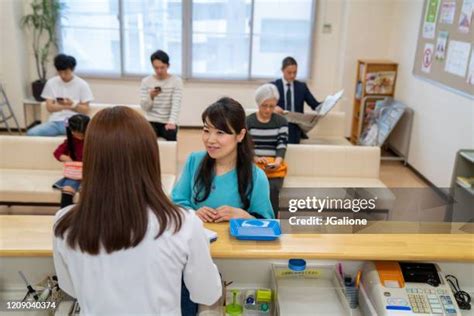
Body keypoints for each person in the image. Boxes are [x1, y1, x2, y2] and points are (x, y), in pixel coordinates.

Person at [53, 106, 221, 315]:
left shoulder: (64, 223)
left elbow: (70, 288)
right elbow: (208, 294)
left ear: (91, 158)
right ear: (150, 156)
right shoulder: (183, 223)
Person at [172, 97, 274, 222]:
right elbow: (176, 203)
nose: (210, 140)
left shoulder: (256, 176)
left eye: (220, 132)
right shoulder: (194, 161)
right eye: (206, 130)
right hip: (197, 237)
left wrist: (245, 217)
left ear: (240, 135)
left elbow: (266, 223)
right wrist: (193, 213)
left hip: (234, 241)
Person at [246, 84, 288, 217]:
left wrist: (277, 162)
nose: (268, 110)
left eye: (272, 106)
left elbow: (282, 144)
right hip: (254, 162)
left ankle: (271, 219)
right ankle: (252, 217)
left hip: (273, 164)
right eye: (265, 106)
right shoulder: (249, 121)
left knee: (273, 187)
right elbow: (246, 145)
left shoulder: (281, 121)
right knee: (252, 184)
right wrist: (255, 158)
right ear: (258, 104)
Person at [27, 54, 93, 136]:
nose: (63, 75)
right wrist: (69, 106)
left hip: (74, 123)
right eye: (60, 72)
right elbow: (50, 107)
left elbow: (85, 110)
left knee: (83, 134)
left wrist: (71, 104)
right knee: (31, 133)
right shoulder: (51, 83)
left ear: (72, 69)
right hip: (55, 122)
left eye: (66, 72)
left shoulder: (82, 84)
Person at [272, 56, 321, 144]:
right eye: (289, 72)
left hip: (295, 125)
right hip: (278, 123)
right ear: (282, 70)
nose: (292, 75)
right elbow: (262, 103)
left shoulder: (302, 87)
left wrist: (328, 103)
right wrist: (273, 107)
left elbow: (315, 105)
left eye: (295, 72)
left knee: (291, 128)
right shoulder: (273, 86)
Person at [140, 50, 183, 141]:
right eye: (156, 68)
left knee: (171, 134)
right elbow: (144, 108)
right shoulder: (146, 81)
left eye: (162, 67)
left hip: (167, 120)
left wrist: (171, 122)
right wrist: (150, 96)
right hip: (151, 120)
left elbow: (176, 103)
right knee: (144, 138)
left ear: (168, 65)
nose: (159, 71)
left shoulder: (176, 81)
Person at [52, 114, 90, 208]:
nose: (80, 136)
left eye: (83, 134)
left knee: (89, 190)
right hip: (75, 173)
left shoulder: (93, 140)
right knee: (68, 188)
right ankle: (64, 214)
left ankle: (86, 214)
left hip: (91, 172)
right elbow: (57, 153)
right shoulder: (70, 141)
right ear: (71, 131)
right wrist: (66, 158)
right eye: (77, 133)